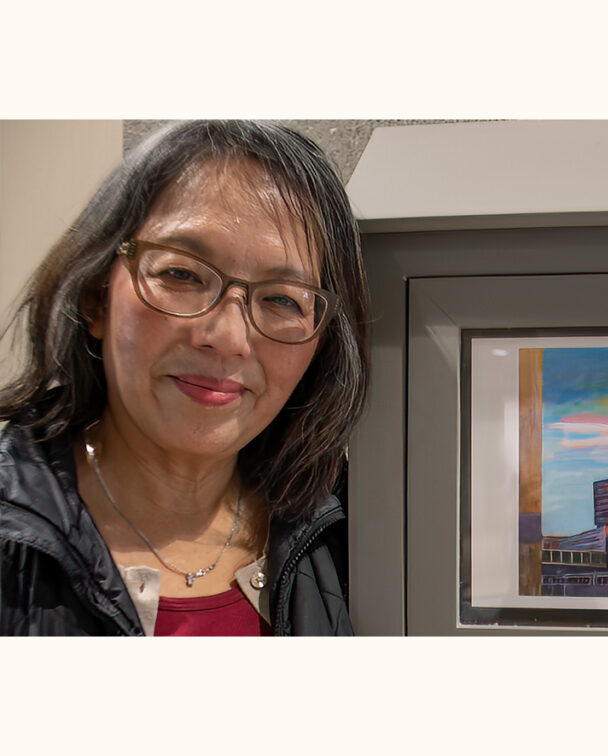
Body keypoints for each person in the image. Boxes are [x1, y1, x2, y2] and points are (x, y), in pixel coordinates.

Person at [0, 121, 369, 635]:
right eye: (182, 274)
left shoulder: (353, 529)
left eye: (283, 298)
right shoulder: (14, 538)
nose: (227, 336)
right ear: (94, 295)